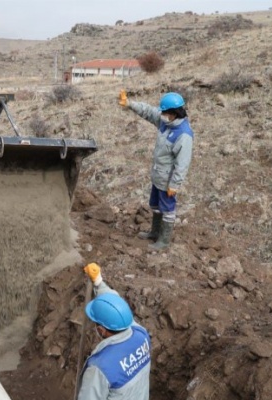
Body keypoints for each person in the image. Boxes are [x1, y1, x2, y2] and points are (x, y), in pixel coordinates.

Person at [119, 90, 194, 250]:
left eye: (165, 112)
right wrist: (130, 104)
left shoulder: (183, 135)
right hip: (158, 176)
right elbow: (148, 111)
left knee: (167, 209)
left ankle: (164, 241)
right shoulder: (165, 122)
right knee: (155, 205)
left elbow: (183, 163)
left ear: (174, 113)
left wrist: (175, 184)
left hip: (168, 181)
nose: (162, 115)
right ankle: (155, 232)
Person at [77, 263, 151, 400]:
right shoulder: (141, 335)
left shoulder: (100, 368)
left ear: (101, 330)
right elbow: (118, 309)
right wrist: (98, 281)